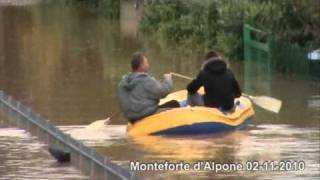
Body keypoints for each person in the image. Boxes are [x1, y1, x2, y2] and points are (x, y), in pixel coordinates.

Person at [118, 52, 173, 123]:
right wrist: (168, 80)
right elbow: (163, 92)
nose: (148, 65)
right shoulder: (145, 79)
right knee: (175, 109)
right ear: (141, 66)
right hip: (146, 115)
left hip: (131, 118)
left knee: (172, 103)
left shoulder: (122, 83)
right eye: (146, 63)